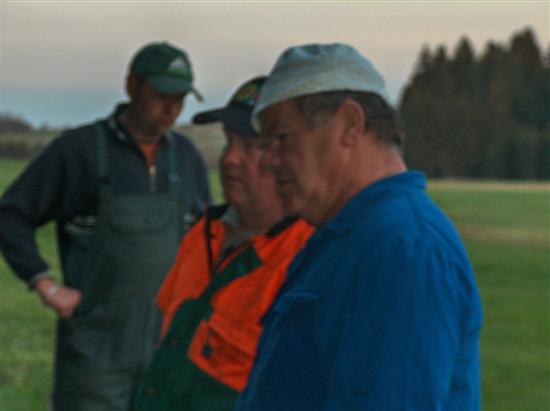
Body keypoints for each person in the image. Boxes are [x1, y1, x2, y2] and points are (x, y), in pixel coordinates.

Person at [236, 43, 483, 411]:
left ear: (350, 124)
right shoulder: (351, 237)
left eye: (282, 138)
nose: (267, 162)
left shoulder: (401, 249)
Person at [0, 41, 210, 410]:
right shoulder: (79, 150)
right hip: (95, 359)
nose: (172, 108)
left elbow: (208, 241)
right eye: (162, 95)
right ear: (132, 86)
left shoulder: (187, 158)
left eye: (180, 98)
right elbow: (10, 215)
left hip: (166, 354)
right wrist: (45, 285)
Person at [132, 76, 313, 411]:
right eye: (229, 142)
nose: (229, 158)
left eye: (251, 146)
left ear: (291, 156)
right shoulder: (203, 233)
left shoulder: (309, 260)